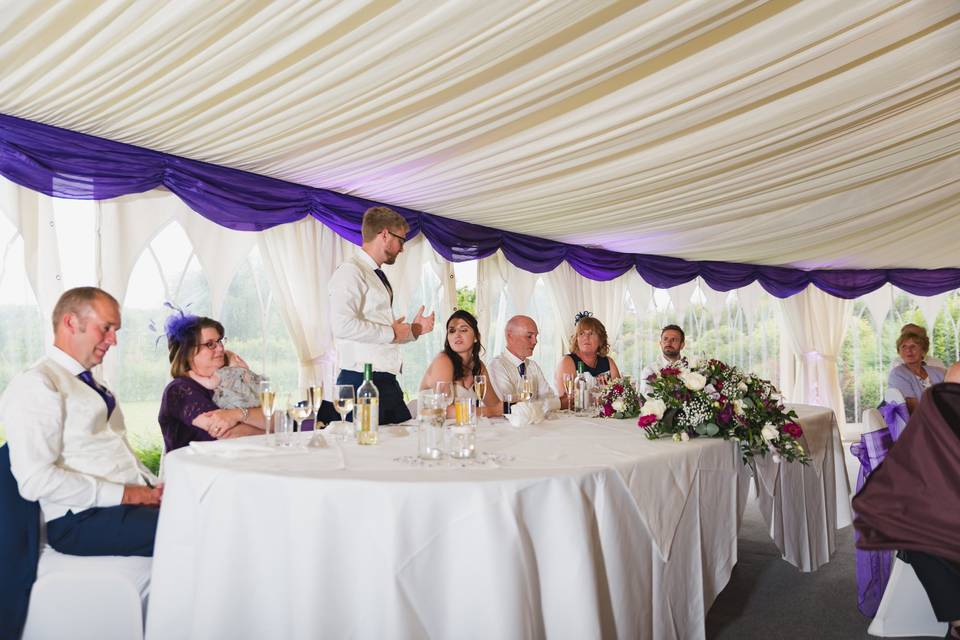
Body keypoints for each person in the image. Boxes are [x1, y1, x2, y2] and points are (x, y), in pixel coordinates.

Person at [0, 287, 162, 557]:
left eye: (115, 330)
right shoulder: (37, 384)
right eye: (106, 327)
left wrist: (151, 488)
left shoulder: (94, 384)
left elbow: (115, 452)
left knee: (215, 513)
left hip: (122, 509)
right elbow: (35, 481)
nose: (113, 340)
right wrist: (131, 495)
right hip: (80, 521)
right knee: (199, 529)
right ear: (71, 322)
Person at [328, 206, 435, 424]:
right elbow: (342, 325)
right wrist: (391, 332)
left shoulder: (374, 274)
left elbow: (381, 334)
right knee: (363, 453)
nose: (402, 249)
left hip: (385, 380)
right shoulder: (351, 271)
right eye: (401, 240)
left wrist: (414, 331)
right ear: (385, 234)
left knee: (398, 448)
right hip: (360, 380)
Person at [158, 315, 272, 452]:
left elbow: (274, 417)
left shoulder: (231, 380)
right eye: (210, 344)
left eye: (220, 341)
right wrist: (271, 431)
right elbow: (227, 434)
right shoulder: (180, 389)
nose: (220, 348)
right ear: (188, 352)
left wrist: (237, 415)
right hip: (199, 470)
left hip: (239, 465)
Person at [419, 310, 502, 417]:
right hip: (433, 428)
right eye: (452, 331)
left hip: (462, 429)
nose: (457, 335)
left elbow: (495, 405)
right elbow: (441, 410)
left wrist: (516, 402)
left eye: (463, 330)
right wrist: (489, 411)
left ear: (476, 337)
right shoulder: (443, 361)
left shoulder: (478, 366)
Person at [555, 312, 621, 408]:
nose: (586, 338)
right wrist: (603, 396)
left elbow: (620, 395)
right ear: (576, 339)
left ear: (601, 339)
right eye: (581, 334)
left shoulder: (609, 362)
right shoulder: (567, 362)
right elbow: (567, 402)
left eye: (591, 333)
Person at [488, 315, 556, 404]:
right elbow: (508, 405)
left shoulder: (533, 366)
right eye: (529, 336)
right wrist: (544, 404)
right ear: (510, 336)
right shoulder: (496, 366)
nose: (535, 342)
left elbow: (550, 399)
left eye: (536, 336)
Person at [887, 329, 946, 414]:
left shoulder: (939, 372)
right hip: (920, 423)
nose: (908, 350)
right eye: (904, 346)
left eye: (913, 346)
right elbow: (913, 409)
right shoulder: (897, 374)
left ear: (923, 351)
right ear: (899, 352)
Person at [640, 324, 687, 395]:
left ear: (682, 345)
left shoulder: (692, 368)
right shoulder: (650, 371)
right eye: (665, 339)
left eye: (674, 339)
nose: (668, 342)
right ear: (660, 343)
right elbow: (647, 400)